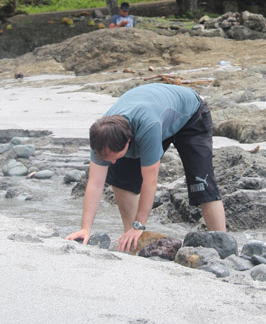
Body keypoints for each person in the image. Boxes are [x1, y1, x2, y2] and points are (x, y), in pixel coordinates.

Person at [66, 83, 226, 252]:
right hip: (155, 111)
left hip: (190, 115)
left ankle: (222, 244)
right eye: (106, 158)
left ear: (129, 141)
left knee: (202, 182)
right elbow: (95, 183)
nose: (110, 162)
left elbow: (150, 181)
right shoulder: (100, 137)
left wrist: (140, 223)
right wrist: (85, 228)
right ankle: (130, 237)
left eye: (114, 156)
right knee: (121, 179)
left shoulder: (147, 127)